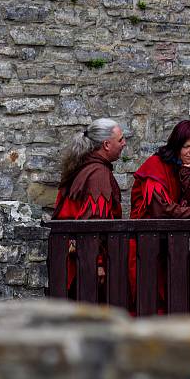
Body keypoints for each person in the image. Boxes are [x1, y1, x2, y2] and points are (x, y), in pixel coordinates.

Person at [129, 120, 190, 313]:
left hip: (176, 250)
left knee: (184, 308)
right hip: (146, 250)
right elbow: (163, 211)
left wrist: (186, 174)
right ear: (176, 147)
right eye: (186, 147)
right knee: (149, 308)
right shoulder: (155, 166)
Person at [54, 118, 126, 299]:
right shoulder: (98, 174)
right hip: (85, 264)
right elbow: (94, 223)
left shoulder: (84, 166)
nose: (124, 143)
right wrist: (98, 263)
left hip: (73, 261)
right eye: (121, 140)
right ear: (107, 145)